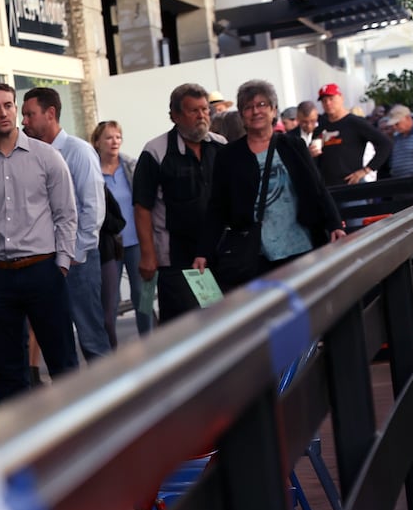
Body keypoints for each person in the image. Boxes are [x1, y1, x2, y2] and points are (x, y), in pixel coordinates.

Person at [0, 82, 79, 401]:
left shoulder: (47, 157)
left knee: (64, 364)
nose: (3, 113)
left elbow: (66, 214)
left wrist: (61, 265)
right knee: (7, 373)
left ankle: (80, 427)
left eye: (8, 105)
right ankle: (23, 432)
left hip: (44, 271)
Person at [205, 80, 345, 287]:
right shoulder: (228, 156)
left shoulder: (293, 145)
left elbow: (317, 187)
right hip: (257, 253)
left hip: (301, 245)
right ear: (242, 115)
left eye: (262, 105)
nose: (256, 111)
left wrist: (334, 223)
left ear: (273, 110)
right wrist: (204, 251)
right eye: (248, 107)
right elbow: (217, 206)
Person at [21, 86, 109, 362]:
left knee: (91, 336)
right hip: (43, 259)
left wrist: (75, 254)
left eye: (29, 114)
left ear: (50, 113)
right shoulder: (30, 154)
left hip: (76, 261)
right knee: (57, 337)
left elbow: (93, 207)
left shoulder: (78, 152)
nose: (23, 121)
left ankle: (109, 387)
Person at [133, 82, 226, 324]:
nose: (202, 116)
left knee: (220, 320)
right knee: (184, 324)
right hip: (176, 257)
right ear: (175, 116)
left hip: (218, 250)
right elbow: (142, 207)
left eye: (205, 109)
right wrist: (147, 254)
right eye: (193, 110)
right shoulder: (155, 151)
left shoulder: (220, 145)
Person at [93, 120, 149, 340]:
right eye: (109, 137)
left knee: (143, 296)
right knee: (110, 301)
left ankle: (150, 342)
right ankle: (110, 348)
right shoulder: (93, 171)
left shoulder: (131, 166)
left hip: (137, 241)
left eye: (118, 137)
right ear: (97, 142)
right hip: (109, 245)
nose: (114, 141)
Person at [312, 83, 391, 230]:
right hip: (328, 191)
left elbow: (385, 144)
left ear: (341, 98)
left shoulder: (355, 122)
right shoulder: (320, 127)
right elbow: (316, 160)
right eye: (324, 100)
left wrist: (366, 170)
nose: (328, 103)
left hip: (351, 188)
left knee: (357, 232)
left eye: (331, 98)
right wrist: (310, 154)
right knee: (331, 235)